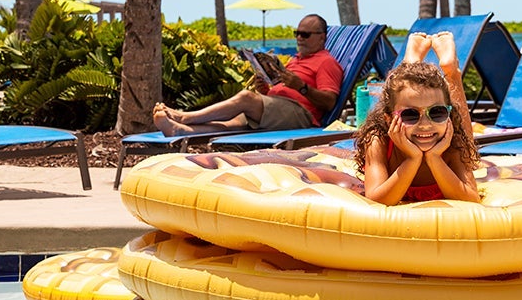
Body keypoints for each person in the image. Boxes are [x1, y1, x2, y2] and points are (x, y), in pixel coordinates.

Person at [153, 14, 343, 136]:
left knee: (245, 98)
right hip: (278, 109)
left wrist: (301, 86)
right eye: (297, 33)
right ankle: (180, 131)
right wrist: (265, 89)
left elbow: (329, 102)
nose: (299, 38)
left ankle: (186, 118)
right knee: (233, 124)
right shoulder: (296, 60)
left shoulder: (326, 62)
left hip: (301, 114)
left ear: (322, 37)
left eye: (305, 34)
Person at [355, 31, 481, 204]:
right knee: (403, 90)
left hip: (449, 135)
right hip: (395, 131)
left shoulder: (452, 143)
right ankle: (411, 63)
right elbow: (377, 200)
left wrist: (435, 158)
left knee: (465, 138)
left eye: (437, 113)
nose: (425, 124)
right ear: (389, 119)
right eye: (410, 115)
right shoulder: (379, 141)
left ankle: (452, 72)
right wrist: (412, 159)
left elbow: (472, 198)